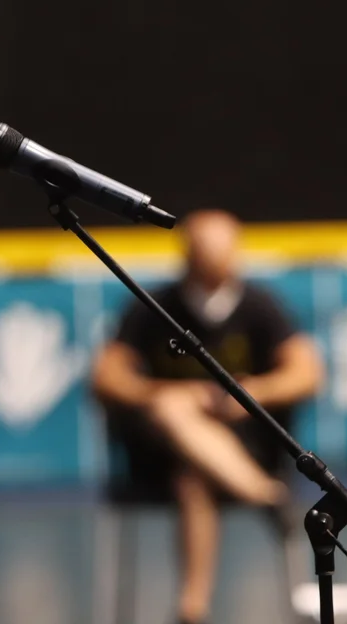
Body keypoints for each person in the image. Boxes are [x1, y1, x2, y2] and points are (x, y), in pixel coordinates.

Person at [91, 209, 323, 624]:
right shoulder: (156, 306)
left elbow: (306, 373)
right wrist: (167, 394)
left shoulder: (260, 306)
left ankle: (192, 609)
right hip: (159, 449)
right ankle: (266, 496)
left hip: (244, 443)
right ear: (187, 256)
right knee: (172, 412)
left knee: (195, 476)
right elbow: (106, 377)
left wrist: (249, 393)